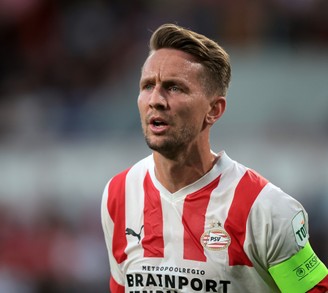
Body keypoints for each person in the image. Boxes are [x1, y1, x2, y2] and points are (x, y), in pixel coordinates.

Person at [101, 23, 328, 293]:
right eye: (148, 85)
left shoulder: (266, 210)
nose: (156, 100)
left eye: (174, 88)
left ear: (214, 110)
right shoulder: (119, 194)